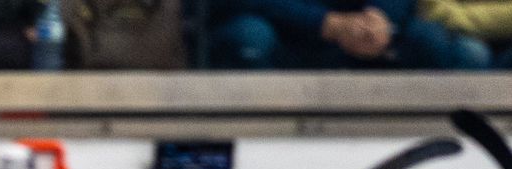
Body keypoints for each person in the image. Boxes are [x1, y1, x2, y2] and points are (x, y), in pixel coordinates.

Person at [208, 0, 491, 70]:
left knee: (443, 46)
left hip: (367, 38)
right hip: (285, 35)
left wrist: (381, 21)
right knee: (249, 37)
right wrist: (326, 23)